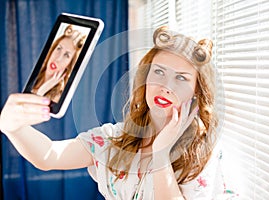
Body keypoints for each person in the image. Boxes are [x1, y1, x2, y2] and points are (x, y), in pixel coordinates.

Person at [0, 26, 229, 199]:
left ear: (196, 94)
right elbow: (48, 155)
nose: (166, 85)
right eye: (159, 72)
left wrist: (161, 154)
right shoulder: (113, 138)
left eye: (181, 78)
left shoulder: (202, 154)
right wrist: (12, 127)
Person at [31, 24, 86, 103]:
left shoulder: (58, 97)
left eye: (66, 55)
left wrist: (41, 91)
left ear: (69, 65)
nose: (58, 58)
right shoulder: (33, 74)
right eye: (59, 48)